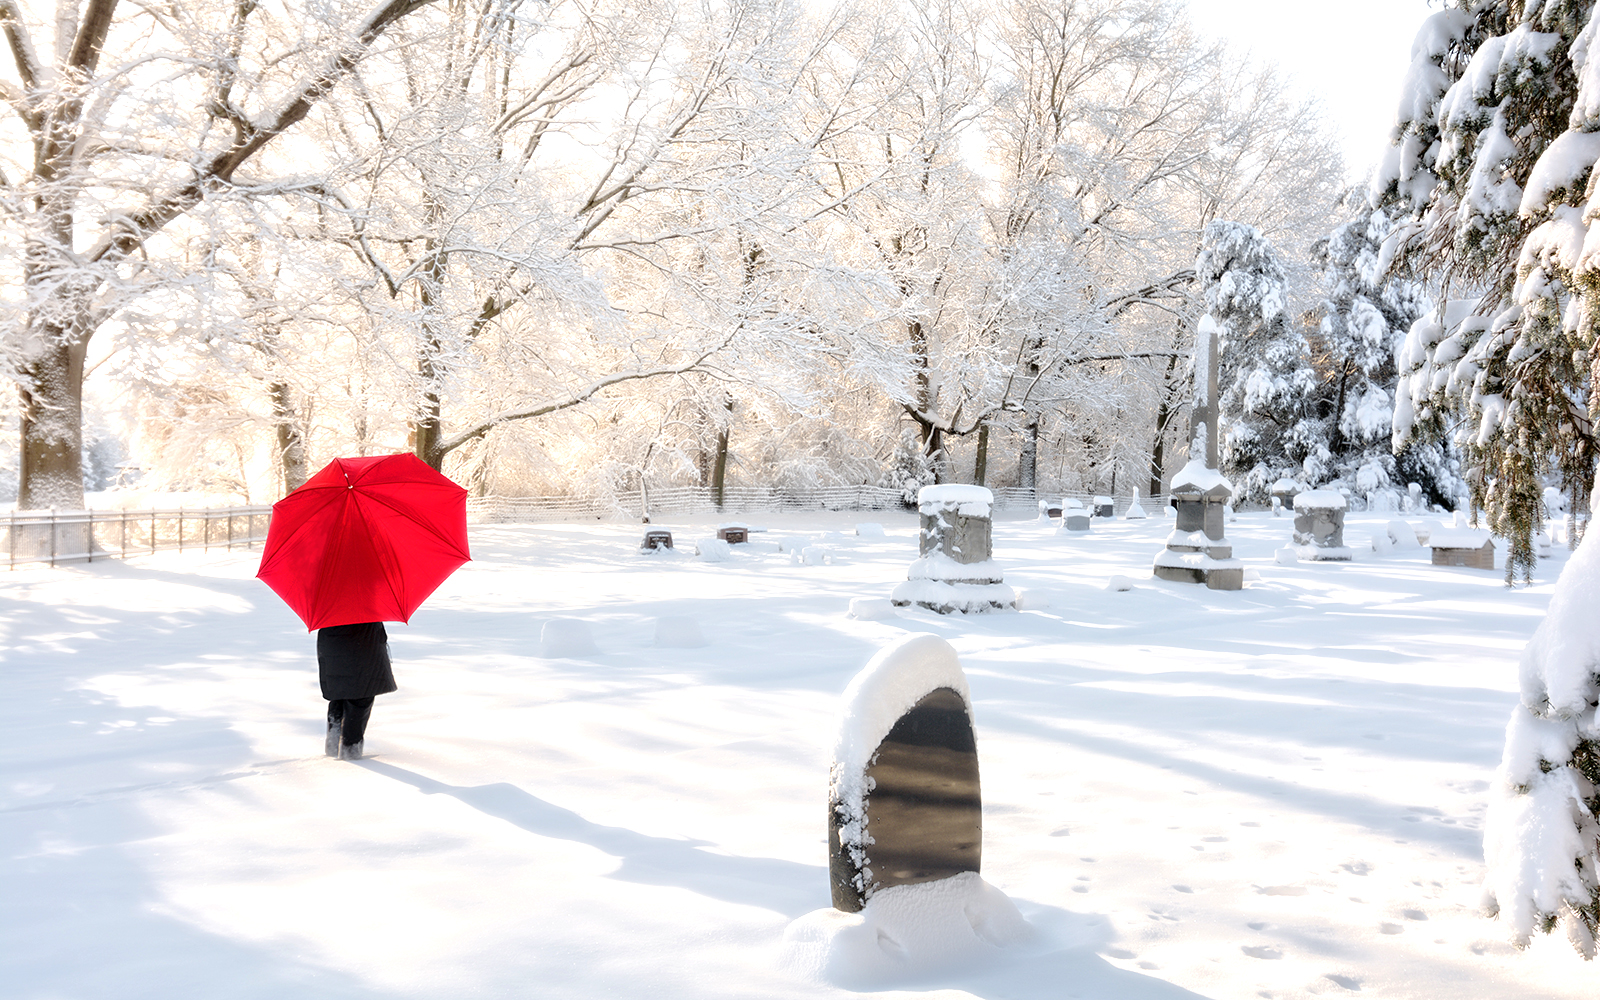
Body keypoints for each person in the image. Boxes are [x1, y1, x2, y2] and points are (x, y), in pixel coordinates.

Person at [317, 622, 397, 760]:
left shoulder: (327, 604)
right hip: (363, 645)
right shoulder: (366, 603)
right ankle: (350, 751)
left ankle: (333, 746)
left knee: (339, 695)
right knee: (360, 697)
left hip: (332, 643)